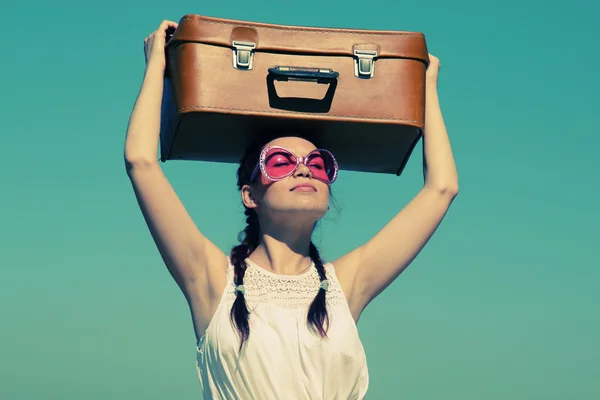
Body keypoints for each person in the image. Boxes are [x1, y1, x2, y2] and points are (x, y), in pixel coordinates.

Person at [125, 20, 458, 400]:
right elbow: (141, 162)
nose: (303, 168)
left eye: (318, 164)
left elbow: (442, 188)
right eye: (280, 161)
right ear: (250, 195)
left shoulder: (345, 285)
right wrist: (156, 66)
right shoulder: (211, 280)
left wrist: (425, 85)